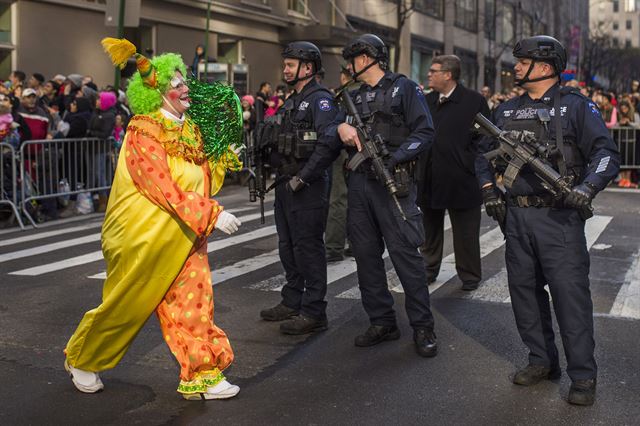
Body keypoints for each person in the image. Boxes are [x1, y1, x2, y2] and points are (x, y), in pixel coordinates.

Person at [64, 37, 243, 401]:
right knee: (126, 305)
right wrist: (212, 213)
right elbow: (159, 185)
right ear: (157, 92)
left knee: (194, 304)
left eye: (183, 81)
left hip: (184, 233)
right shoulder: (143, 130)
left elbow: (197, 178)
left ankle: (203, 374)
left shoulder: (190, 127)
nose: (184, 88)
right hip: (143, 236)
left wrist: (221, 161)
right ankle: (83, 358)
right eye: (175, 84)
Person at [475, 35, 620, 406]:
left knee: (570, 298)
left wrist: (586, 189)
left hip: (558, 217)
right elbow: (481, 156)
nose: (516, 67)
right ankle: (541, 360)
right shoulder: (506, 111)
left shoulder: (576, 107)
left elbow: (605, 154)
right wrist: (490, 189)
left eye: (522, 62)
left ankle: (583, 376)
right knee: (524, 293)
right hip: (516, 216)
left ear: (543, 66)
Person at [337, 34, 437, 357]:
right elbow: (338, 134)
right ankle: (382, 321)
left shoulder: (404, 88)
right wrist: (341, 130)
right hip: (361, 184)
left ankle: (423, 327)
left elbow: (425, 131)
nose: (349, 66)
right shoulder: (353, 97)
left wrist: (395, 158)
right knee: (365, 256)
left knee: (406, 256)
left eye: (352, 60)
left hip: (394, 181)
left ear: (365, 59)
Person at [259, 41, 338, 335]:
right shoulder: (292, 99)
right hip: (285, 183)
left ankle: (314, 311)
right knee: (288, 245)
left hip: (307, 186)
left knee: (308, 248)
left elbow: (327, 144)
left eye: (290, 64)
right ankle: (292, 300)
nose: (285, 69)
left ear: (308, 68)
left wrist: (304, 177)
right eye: (286, 64)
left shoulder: (321, 100)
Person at [417, 55, 490, 291]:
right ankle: (428, 269)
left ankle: (469, 276)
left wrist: (470, 164)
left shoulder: (473, 101)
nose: (428, 74)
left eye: (433, 71)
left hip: (462, 179)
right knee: (429, 230)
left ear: (448, 74)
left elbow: (486, 139)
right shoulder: (426, 101)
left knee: (466, 233)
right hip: (429, 176)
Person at [324, 66, 353, 263]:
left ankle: (334, 246)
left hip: (343, 151)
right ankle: (355, 243)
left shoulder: (344, 95)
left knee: (338, 199)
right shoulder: (369, 91)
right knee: (357, 199)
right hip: (363, 154)